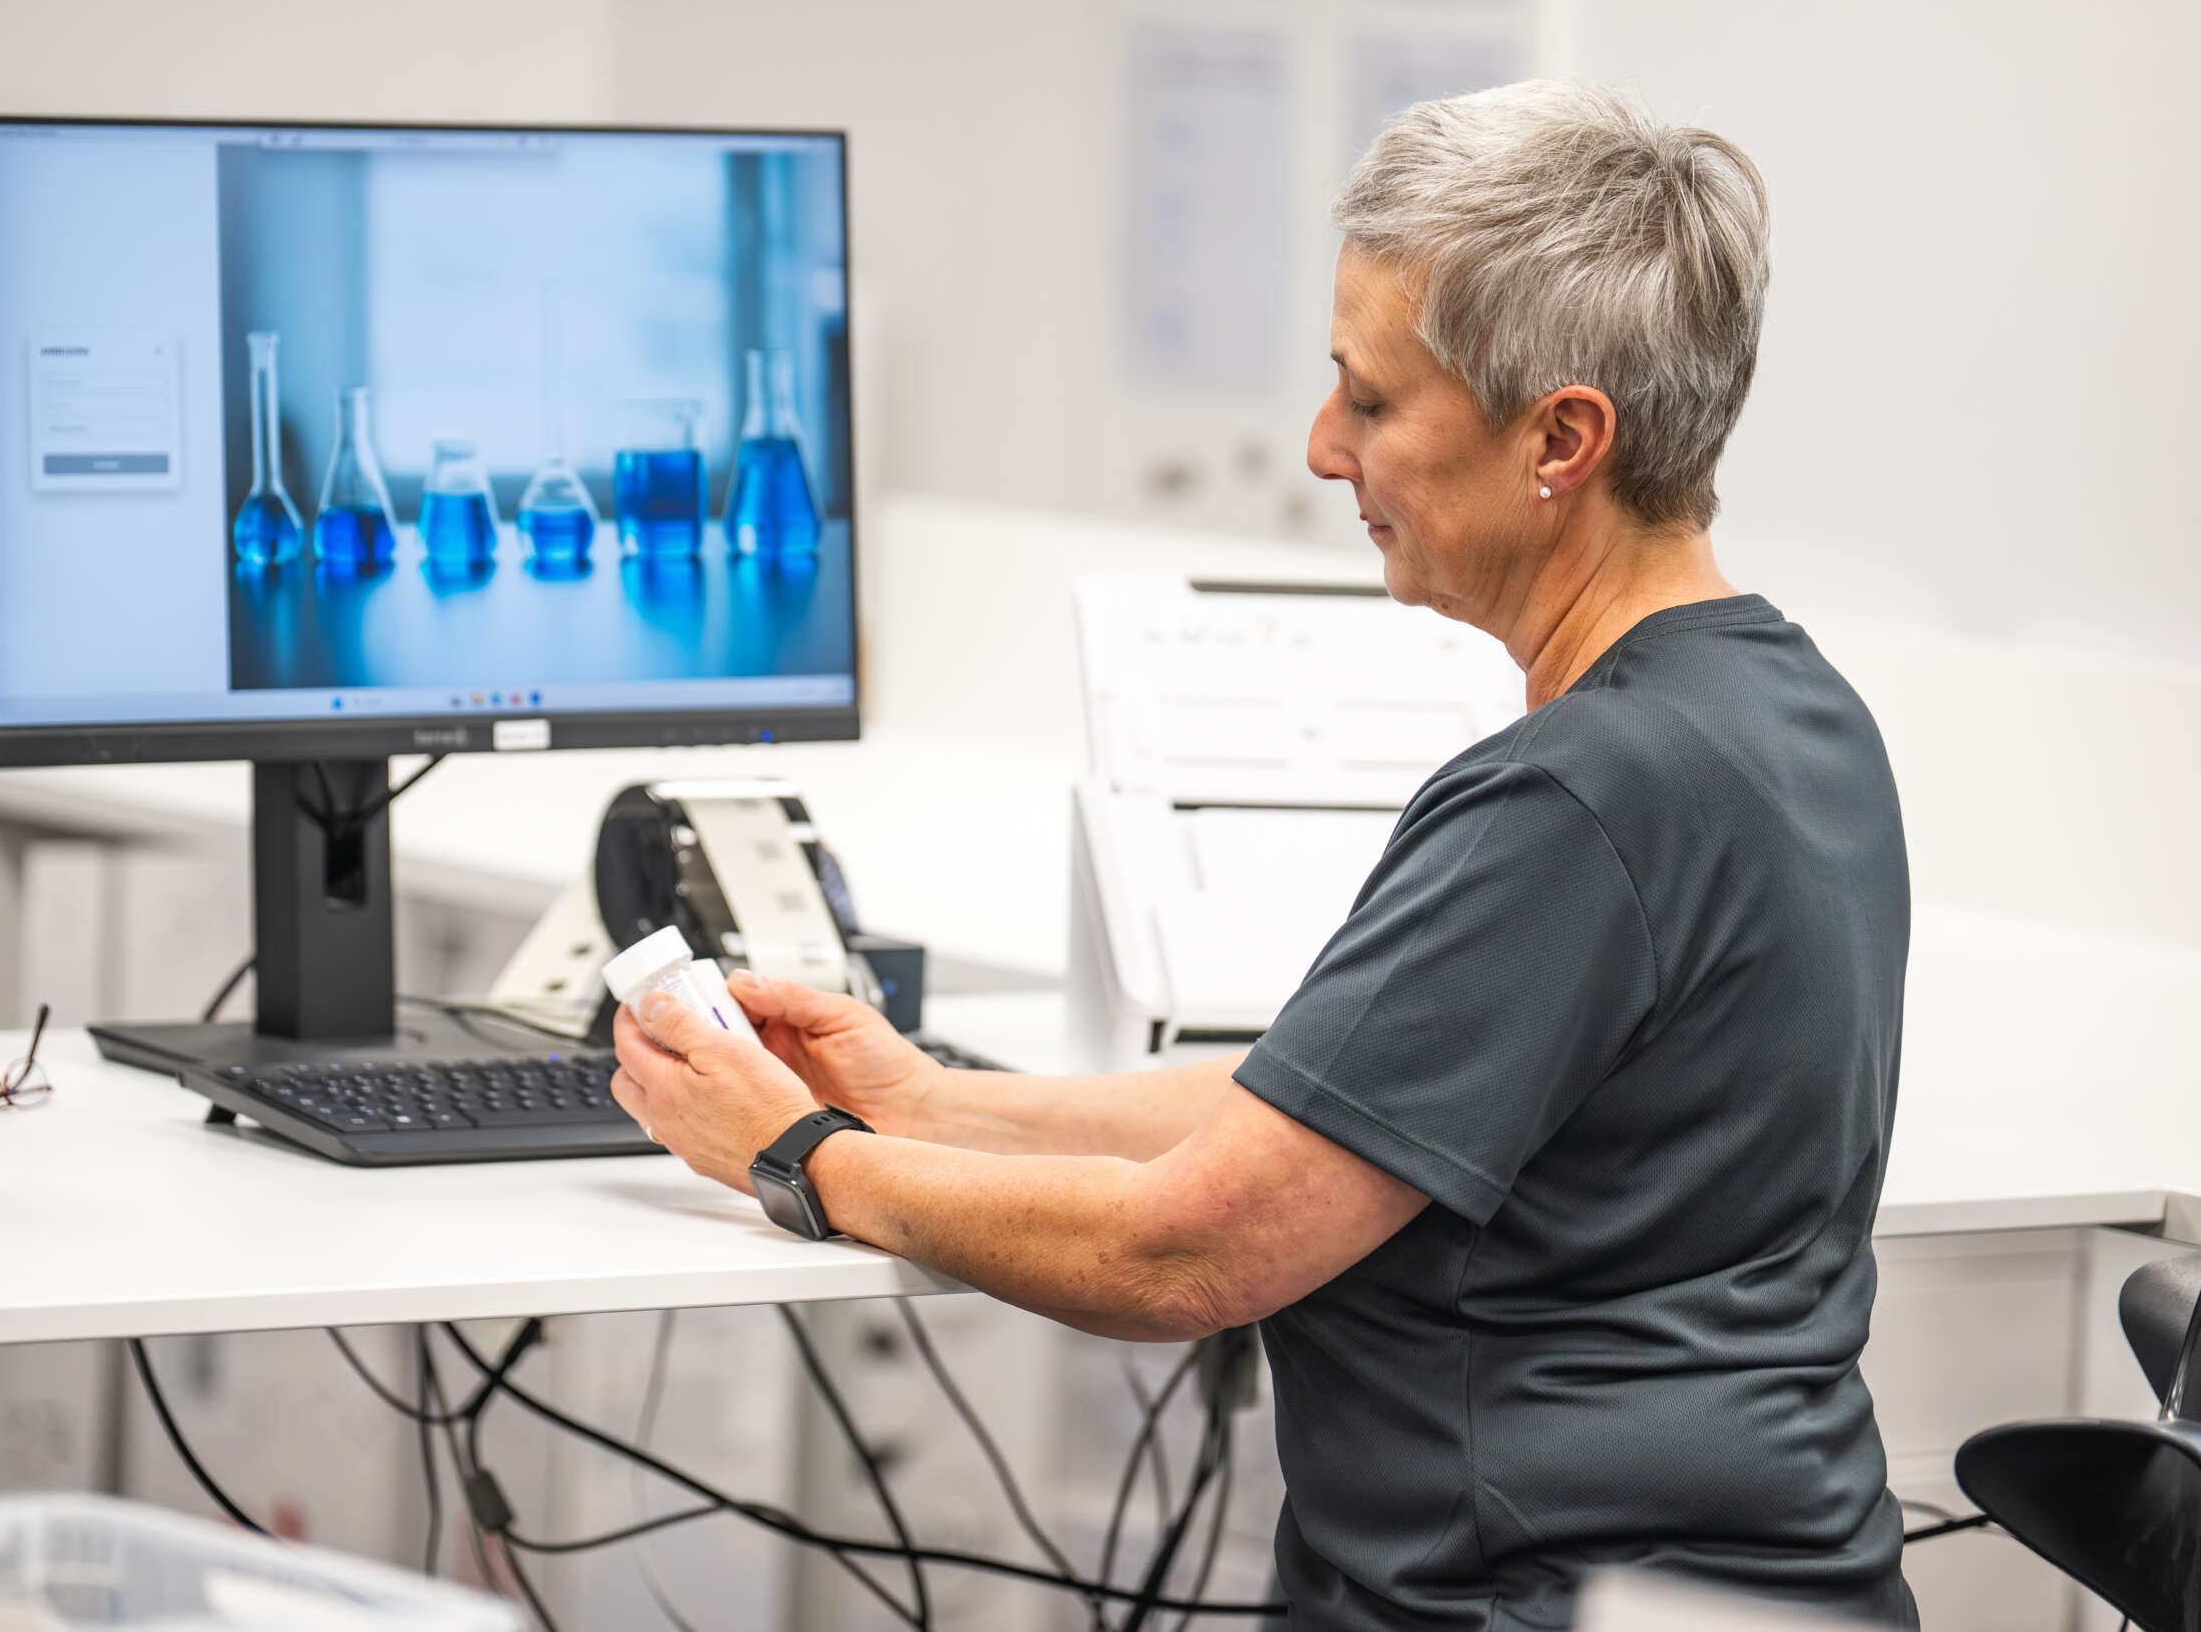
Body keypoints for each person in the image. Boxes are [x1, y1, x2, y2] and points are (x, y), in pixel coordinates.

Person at [610, 80, 1917, 1630]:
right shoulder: (1792, 716)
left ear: (1562, 438)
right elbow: (1329, 1121)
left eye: (1370, 400)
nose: (1319, 447)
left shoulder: (1581, 797)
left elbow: (1191, 1253)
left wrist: (799, 1159)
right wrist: (936, 1102)